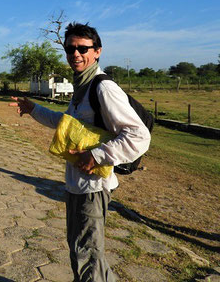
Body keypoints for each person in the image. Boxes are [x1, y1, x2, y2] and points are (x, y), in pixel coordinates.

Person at [9, 22, 150, 282]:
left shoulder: (103, 88)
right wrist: (33, 109)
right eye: (70, 49)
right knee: (83, 250)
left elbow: (139, 136)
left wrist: (96, 155)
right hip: (77, 184)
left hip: (94, 187)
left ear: (97, 51)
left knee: (87, 254)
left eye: (83, 48)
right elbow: (65, 124)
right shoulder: (82, 87)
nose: (75, 54)